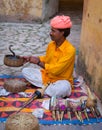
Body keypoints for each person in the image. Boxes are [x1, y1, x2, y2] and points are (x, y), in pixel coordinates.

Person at [22, 15, 76, 97]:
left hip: (61, 80)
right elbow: (47, 59)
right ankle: (47, 89)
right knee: (25, 71)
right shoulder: (51, 45)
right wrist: (33, 58)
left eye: (54, 31)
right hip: (47, 76)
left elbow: (55, 70)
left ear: (62, 33)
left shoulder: (70, 50)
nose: (50, 33)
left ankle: (45, 88)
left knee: (63, 89)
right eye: (51, 30)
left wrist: (38, 62)